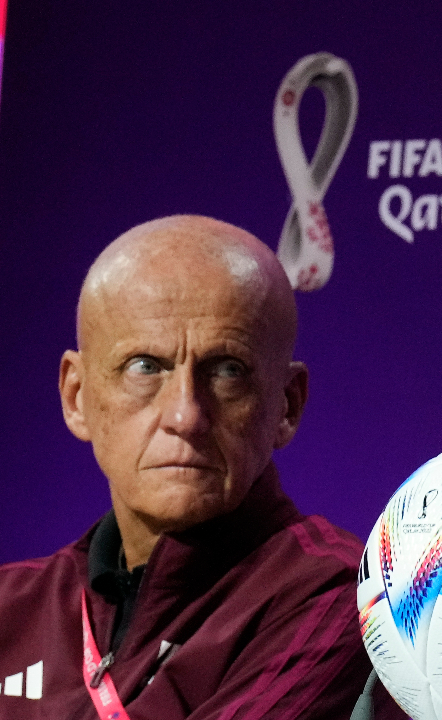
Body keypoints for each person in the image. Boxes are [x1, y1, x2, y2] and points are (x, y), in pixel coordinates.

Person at [0, 216, 370, 718]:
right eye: (144, 366)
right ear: (77, 396)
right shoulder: (11, 607)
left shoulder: (341, 599)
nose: (185, 415)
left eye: (226, 371)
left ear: (287, 404)